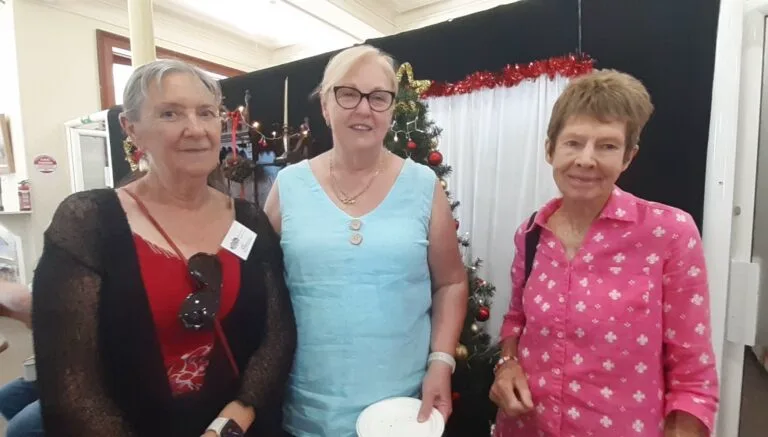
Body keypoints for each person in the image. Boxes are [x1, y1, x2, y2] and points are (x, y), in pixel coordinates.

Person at [32, 59, 296, 437]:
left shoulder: (248, 220)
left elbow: (278, 334)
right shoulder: (89, 222)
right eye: (170, 113)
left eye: (206, 113)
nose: (196, 129)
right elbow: (70, 383)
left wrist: (230, 423)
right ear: (131, 128)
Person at [489, 70, 719, 437]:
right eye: (574, 143)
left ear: (629, 157)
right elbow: (516, 319)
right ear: (550, 149)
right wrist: (507, 364)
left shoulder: (669, 234)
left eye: (607, 146)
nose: (586, 159)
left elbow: (693, 373)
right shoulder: (531, 235)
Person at [263, 45, 468, 437]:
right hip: (307, 408)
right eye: (348, 94)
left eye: (378, 97)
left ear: (392, 108)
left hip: (402, 411)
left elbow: (452, 282)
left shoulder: (423, 185)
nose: (364, 109)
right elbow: (261, 289)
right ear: (326, 105)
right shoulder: (289, 186)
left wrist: (442, 361)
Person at [0, 280, 42, 437]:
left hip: (110, 377)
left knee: (22, 429)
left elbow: (25, 303)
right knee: (8, 398)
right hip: (68, 366)